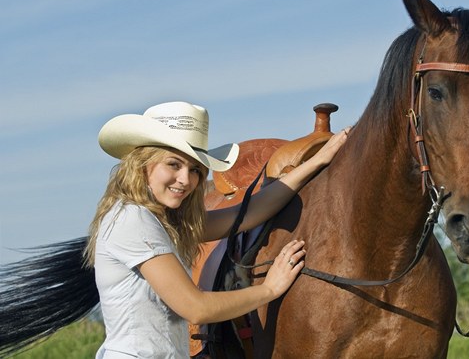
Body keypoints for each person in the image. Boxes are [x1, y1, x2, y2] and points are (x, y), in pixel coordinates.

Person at [83, 101, 349, 358]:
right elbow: (195, 308)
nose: (186, 180)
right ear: (142, 164)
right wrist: (269, 289)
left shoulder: (164, 220)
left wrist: (315, 162)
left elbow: (248, 214)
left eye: (196, 169)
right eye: (173, 164)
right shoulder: (134, 219)